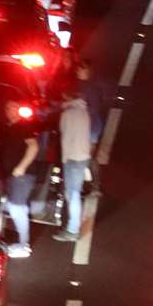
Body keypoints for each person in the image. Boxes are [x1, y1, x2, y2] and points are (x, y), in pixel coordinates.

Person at [1, 99, 41, 257]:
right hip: (13, 175)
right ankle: (21, 243)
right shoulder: (10, 128)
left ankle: (24, 246)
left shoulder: (23, 126)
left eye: (14, 107)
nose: (10, 110)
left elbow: (33, 146)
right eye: (8, 107)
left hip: (21, 175)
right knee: (15, 207)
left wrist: (21, 167)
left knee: (17, 208)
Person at [54, 89, 94, 242]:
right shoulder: (85, 111)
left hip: (72, 158)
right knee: (75, 192)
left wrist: (63, 160)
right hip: (83, 156)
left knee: (72, 194)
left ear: (66, 96)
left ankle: (72, 230)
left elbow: (65, 137)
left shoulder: (67, 114)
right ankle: (74, 224)